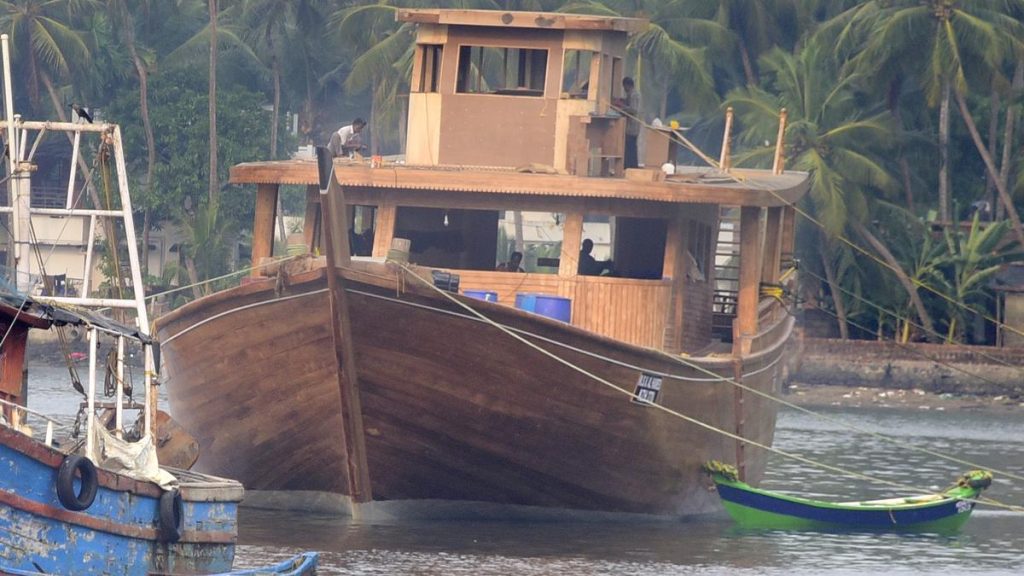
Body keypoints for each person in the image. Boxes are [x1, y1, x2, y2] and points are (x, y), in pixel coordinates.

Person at [618, 77, 640, 169]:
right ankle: (630, 166)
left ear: (627, 85)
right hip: (633, 125)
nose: (624, 89)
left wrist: (621, 108)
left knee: (630, 147)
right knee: (631, 146)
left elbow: (633, 109)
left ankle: (630, 166)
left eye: (624, 87)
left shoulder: (633, 95)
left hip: (632, 125)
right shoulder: (632, 94)